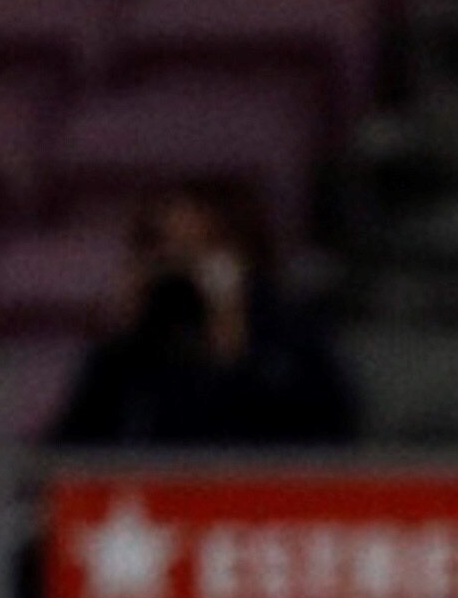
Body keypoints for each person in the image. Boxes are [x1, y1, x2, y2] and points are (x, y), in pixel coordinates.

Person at [49, 183, 361, 450]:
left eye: (202, 248)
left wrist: (230, 333)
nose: (186, 265)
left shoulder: (292, 335)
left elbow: (328, 441)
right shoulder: (132, 348)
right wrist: (123, 333)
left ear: (243, 253)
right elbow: (68, 451)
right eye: (168, 248)